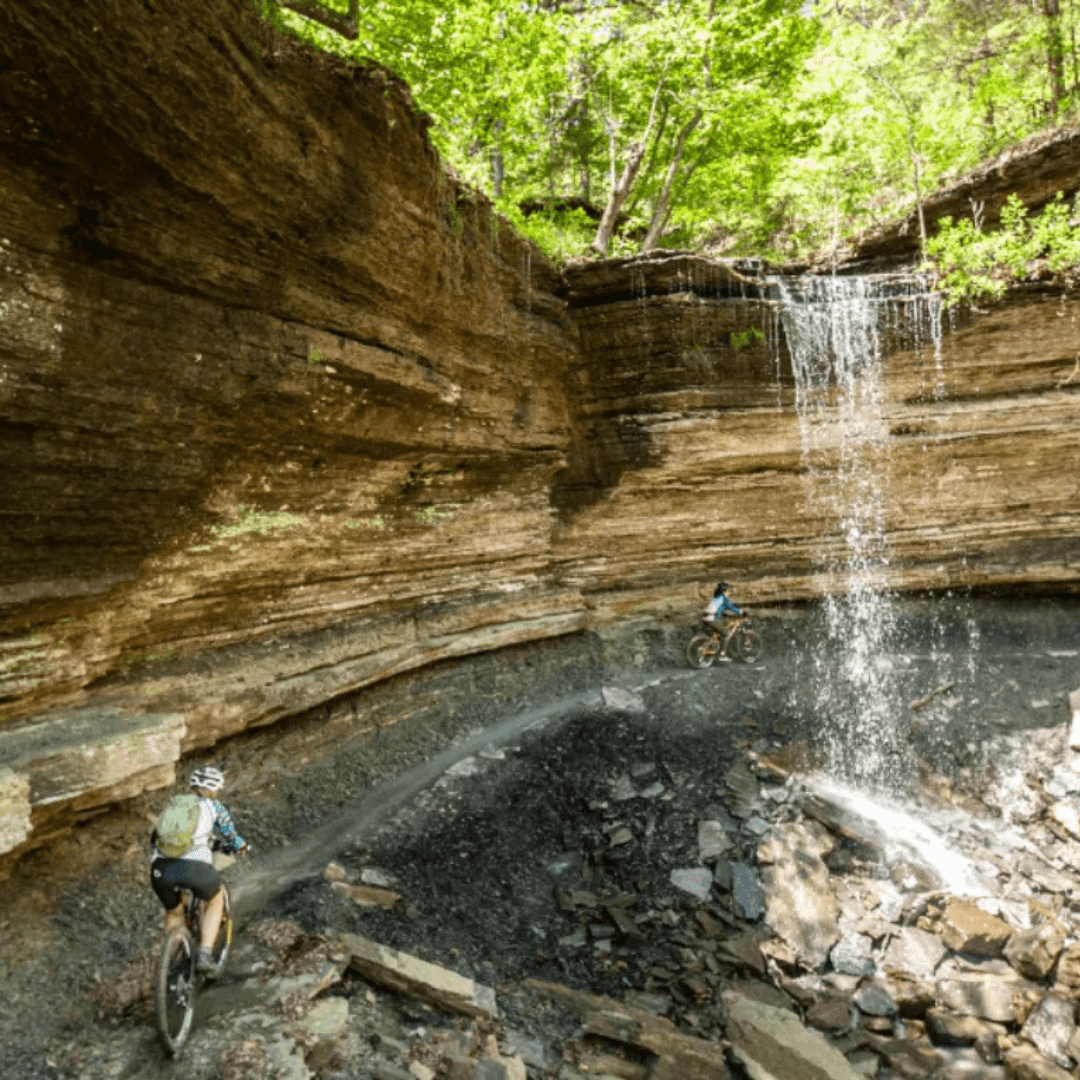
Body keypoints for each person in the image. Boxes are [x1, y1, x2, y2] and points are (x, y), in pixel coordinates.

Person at [150, 766, 247, 974]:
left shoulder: (174, 804)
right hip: (196, 868)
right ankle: (204, 953)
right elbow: (231, 835)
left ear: (192, 785)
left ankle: (170, 963)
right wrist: (242, 847)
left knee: (174, 912)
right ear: (214, 789)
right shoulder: (214, 807)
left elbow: (155, 837)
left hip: (161, 869)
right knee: (215, 898)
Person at [701, 581, 743, 662]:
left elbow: (722, 608)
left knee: (725, 622)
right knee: (727, 633)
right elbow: (731, 608)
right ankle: (722, 655)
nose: (729, 592)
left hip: (706, 617)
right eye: (728, 591)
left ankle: (721, 647)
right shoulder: (723, 598)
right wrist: (741, 612)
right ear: (724, 591)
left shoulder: (716, 597)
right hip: (711, 619)